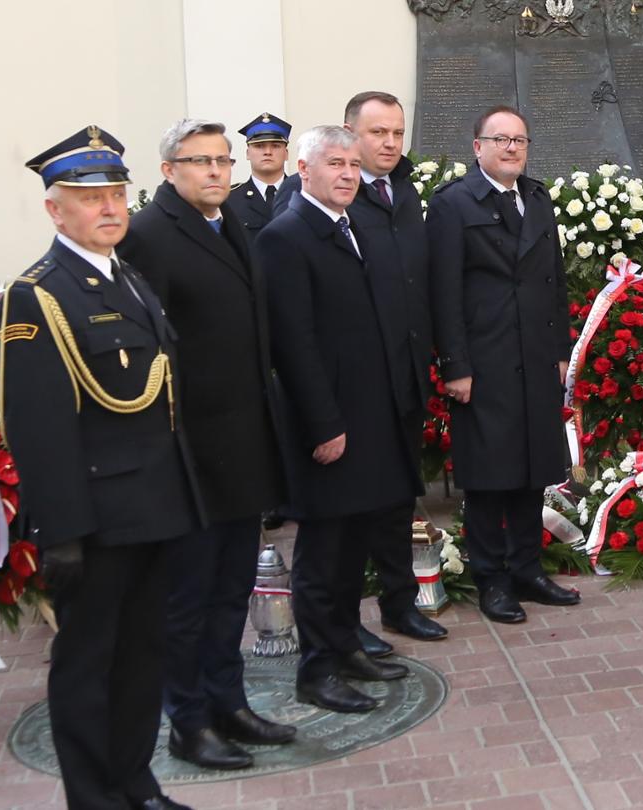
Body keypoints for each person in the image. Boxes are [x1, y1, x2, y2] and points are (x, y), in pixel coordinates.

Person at [2, 125, 198, 810]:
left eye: (116, 194)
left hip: (153, 507)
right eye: (91, 199)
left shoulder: (130, 279)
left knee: (143, 658)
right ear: (56, 210)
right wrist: (61, 532)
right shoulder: (40, 296)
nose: (110, 208)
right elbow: (37, 426)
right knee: (88, 665)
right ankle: (93, 795)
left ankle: (135, 782)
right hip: (94, 519)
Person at [119, 119, 295, 770]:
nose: (218, 172)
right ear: (168, 170)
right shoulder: (148, 236)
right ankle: (187, 723)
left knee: (230, 590)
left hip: (241, 444)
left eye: (224, 161)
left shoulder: (230, 223)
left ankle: (229, 703)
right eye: (202, 162)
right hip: (188, 452)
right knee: (187, 599)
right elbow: (142, 359)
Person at [254, 125, 424, 714]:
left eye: (354, 164)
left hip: (370, 418)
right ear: (304, 170)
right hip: (327, 427)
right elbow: (294, 345)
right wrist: (323, 425)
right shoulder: (286, 237)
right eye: (335, 163)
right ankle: (317, 668)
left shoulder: (350, 228)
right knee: (324, 556)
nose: (349, 174)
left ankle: (347, 643)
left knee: (354, 547)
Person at [426, 105, 581, 624]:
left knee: (533, 469)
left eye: (520, 140)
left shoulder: (537, 198)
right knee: (491, 476)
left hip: (536, 357)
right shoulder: (452, 204)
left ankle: (528, 570)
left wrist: (561, 351)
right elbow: (443, 293)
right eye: (500, 140)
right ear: (478, 148)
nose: (512, 148)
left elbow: (554, 282)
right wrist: (455, 365)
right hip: (484, 362)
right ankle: (492, 579)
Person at [340, 90, 448, 647]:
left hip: (404, 376)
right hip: (357, 383)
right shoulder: (330, 196)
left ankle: (398, 605)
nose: (388, 143)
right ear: (349, 133)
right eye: (377, 132)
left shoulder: (404, 192)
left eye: (396, 133)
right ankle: (344, 624)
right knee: (355, 505)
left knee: (398, 498)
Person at [229, 112, 290, 239]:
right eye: (259, 146)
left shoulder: (304, 195)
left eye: (275, 146)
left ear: (286, 154)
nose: (267, 152)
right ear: (247, 153)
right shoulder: (230, 199)